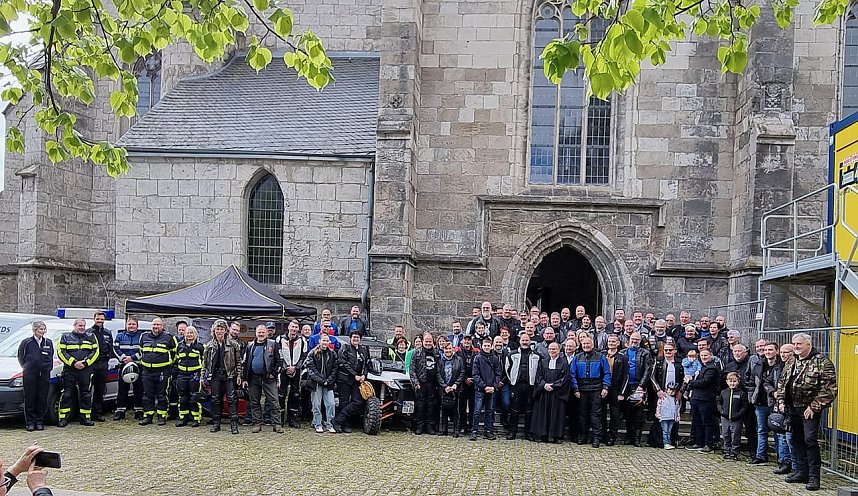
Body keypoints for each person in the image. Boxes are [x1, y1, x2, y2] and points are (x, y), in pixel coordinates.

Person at [775, 332, 837, 492]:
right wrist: (781, 401)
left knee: (810, 440)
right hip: (792, 408)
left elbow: (829, 388)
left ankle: (814, 477)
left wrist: (814, 407)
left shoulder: (822, 362)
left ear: (808, 345)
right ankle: (802, 472)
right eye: (794, 344)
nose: (796, 347)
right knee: (797, 440)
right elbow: (782, 383)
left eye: (799, 344)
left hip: (809, 409)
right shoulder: (792, 362)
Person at [202, 319, 243, 434]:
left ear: (226, 330)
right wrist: (202, 377)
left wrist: (239, 375)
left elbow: (239, 362)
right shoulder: (209, 346)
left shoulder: (234, 344)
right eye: (217, 329)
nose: (219, 331)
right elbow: (204, 363)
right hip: (215, 376)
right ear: (214, 331)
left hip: (229, 375)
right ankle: (216, 423)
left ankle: (234, 425)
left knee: (231, 399)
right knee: (215, 400)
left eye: (221, 329)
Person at [569, 335, 611, 448]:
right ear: (581, 345)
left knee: (596, 415)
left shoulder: (601, 357)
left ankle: (597, 438)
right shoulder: (577, 358)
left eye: (588, 344)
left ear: (592, 345)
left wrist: (605, 387)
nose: (586, 346)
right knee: (582, 415)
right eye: (584, 344)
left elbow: (607, 373)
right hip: (582, 390)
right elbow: (572, 375)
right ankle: (583, 436)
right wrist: (575, 389)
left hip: (596, 389)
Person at [56, 318, 99, 427]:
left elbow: (96, 351)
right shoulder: (65, 337)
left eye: (84, 326)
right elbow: (61, 352)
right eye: (80, 325)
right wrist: (73, 362)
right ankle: (63, 418)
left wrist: (85, 363)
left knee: (86, 394)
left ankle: (85, 418)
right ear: (74, 326)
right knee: (67, 394)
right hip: (70, 370)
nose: (82, 328)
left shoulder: (91, 337)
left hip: (86, 370)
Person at [241, 324, 283, 433]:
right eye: (259, 332)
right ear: (255, 333)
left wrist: (274, 373)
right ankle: (257, 424)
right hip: (253, 379)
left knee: (274, 401)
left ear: (266, 333)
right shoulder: (250, 346)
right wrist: (244, 378)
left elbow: (280, 361)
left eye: (262, 332)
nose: (261, 334)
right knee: (254, 402)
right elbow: (245, 363)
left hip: (269, 379)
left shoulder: (273, 344)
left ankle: (277, 424)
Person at [749, 340, 784, 466]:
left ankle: (782, 459)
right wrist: (751, 396)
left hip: (775, 402)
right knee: (761, 430)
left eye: (770, 350)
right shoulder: (758, 365)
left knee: (778, 431)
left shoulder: (781, 365)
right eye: (766, 350)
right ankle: (761, 456)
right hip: (760, 402)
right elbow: (751, 381)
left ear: (777, 351)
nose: (768, 352)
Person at [138, 317, 178, 427]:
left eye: (158, 325)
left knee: (162, 395)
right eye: (154, 325)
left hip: (162, 372)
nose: (156, 327)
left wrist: (168, 366)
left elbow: (175, 354)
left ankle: (161, 415)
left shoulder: (169, 337)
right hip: (147, 371)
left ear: (162, 326)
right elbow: (141, 351)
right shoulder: (144, 336)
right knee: (147, 395)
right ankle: (148, 416)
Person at [530, 342, 570, 443]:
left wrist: (553, 385)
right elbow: (538, 376)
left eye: (554, 349)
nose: (552, 351)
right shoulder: (543, 362)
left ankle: (556, 436)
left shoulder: (564, 363)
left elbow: (564, 378)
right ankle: (542, 435)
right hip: (544, 392)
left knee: (556, 415)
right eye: (550, 349)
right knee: (543, 414)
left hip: (556, 393)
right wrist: (544, 385)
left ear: (559, 351)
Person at [17, 321, 53, 431]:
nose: (42, 331)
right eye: (40, 329)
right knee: (30, 398)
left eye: (43, 329)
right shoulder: (27, 342)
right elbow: (21, 357)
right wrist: (27, 368)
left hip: (44, 375)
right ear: (34, 330)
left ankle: (39, 421)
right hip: (30, 375)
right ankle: (30, 422)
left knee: (42, 398)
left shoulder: (48, 342)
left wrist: (47, 368)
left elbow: (50, 356)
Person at [619, 331, 652, 447]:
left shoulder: (645, 353)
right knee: (627, 413)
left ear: (640, 341)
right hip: (626, 386)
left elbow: (648, 371)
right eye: (632, 339)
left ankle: (637, 438)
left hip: (638, 386)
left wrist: (641, 386)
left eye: (637, 340)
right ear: (629, 340)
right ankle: (628, 436)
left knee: (638, 414)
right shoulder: (622, 353)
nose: (634, 341)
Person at [649, 341, 685, 447]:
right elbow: (652, 376)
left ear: (674, 351)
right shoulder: (658, 361)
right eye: (666, 350)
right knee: (660, 418)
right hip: (662, 394)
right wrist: (658, 390)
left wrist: (681, 391)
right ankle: (659, 441)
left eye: (670, 350)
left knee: (674, 418)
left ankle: (672, 440)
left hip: (674, 395)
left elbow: (684, 379)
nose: (668, 352)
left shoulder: (680, 363)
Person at [333, 331, 370, 434]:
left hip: (357, 380)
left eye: (357, 337)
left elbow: (366, 364)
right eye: (354, 337)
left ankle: (337, 420)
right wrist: (354, 375)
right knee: (343, 402)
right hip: (344, 379)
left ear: (360, 339)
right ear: (350, 338)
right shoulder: (345, 348)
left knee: (357, 401)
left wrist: (363, 375)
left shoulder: (363, 350)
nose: (355, 339)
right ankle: (344, 424)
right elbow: (343, 363)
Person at [505, 332, 539, 440]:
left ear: (530, 342)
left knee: (529, 410)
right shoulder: (512, 355)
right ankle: (512, 432)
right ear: (519, 341)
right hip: (517, 385)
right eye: (523, 340)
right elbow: (507, 369)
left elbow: (539, 371)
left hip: (530, 386)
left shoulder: (537, 356)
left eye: (527, 340)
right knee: (514, 409)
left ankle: (528, 433)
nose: (525, 342)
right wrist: (512, 381)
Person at [685, 349, 720, 452]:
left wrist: (690, 381)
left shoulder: (712, 368)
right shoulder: (703, 367)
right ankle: (699, 442)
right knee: (697, 421)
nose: (704, 357)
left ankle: (708, 444)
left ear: (711, 356)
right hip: (696, 398)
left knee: (707, 422)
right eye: (702, 355)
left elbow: (705, 382)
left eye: (706, 355)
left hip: (706, 399)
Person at [305, 332, 338, 434]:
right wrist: (321, 380)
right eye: (323, 340)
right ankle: (317, 424)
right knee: (316, 405)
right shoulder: (312, 353)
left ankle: (330, 424)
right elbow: (311, 369)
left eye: (327, 341)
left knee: (331, 404)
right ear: (319, 341)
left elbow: (335, 369)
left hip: (329, 384)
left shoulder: (332, 354)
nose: (325, 342)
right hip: (316, 384)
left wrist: (329, 380)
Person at [471, 336, 502, 441]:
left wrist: (494, 386)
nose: (487, 347)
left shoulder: (495, 358)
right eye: (485, 346)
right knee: (477, 410)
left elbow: (498, 373)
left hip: (492, 389)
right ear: (481, 346)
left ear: (492, 346)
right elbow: (475, 374)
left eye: (489, 345)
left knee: (490, 411)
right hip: (480, 389)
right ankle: (474, 431)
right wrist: (484, 386)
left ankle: (488, 431)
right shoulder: (477, 358)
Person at [113, 318, 144, 420]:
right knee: (122, 388)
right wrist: (123, 358)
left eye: (133, 324)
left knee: (138, 389)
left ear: (137, 326)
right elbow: (115, 348)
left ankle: (139, 410)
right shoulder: (120, 336)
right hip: (123, 365)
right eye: (129, 324)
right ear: (126, 325)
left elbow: (143, 349)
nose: (131, 326)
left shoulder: (141, 337)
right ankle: (120, 411)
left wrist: (132, 358)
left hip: (137, 365)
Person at [279, 320, 307, 428]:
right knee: (281, 394)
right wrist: (286, 367)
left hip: (296, 370)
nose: (294, 329)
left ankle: (293, 418)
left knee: (295, 394)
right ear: (288, 327)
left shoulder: (302, 340)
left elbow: (304, 355)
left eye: (296, 327)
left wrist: (295, 367)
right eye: (292, 327)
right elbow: (278, 354)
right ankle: (280, 418)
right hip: (283, 370)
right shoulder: (280, 339)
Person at [174, 326, 204, 428]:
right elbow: (176, 360)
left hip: (195, 375)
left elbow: (205, 362)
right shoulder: (179, 346)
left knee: (194, 397)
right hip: (182, 375)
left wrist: (201, 375)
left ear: (195, 334)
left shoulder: (200, 347)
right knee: (183, 398)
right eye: (188, 333)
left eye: (191, 333)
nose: (189, 335)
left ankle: (196, 418)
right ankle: (183, 418)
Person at [410, 332, 439, 435]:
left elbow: (439, 369)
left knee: (431, 407)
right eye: (426, 341)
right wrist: (416, 382)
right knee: (420, 407)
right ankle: (419, 427)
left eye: (429, 341)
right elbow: (412, 370)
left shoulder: (436, 353)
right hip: (420, 384)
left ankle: (429, 427)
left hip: (432, 384)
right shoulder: (416, 353)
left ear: (432, 342)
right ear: (422, 342)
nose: (428, 343)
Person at [86, 311, 113, 422]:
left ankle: (97, 413)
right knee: (87, 390)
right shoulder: (88, 332)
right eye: (98, 319)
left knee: (100, 390)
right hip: (91, 364)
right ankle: (86, 413)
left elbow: (111, 348)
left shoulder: (107, 332)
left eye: (102, 319)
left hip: (103, 364)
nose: (100, 321)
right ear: (94, 319)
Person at [603, 334, 628, 446]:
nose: (611, 343)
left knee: (615, 414)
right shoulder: (602, 355)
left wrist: (622, 392)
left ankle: (612, 436)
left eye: (614, 342)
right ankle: (602, 435)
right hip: (603, 388)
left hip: (616, 389)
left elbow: (626, 376)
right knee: (601, 412)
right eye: (610, 341)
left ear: (618, 343)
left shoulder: (622, 357)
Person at [718, 371, 750, 461]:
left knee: (735, 436)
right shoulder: (724, 392)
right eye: (730, 381)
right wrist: (721, 410)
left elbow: (745, 406)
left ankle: (734, 452)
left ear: (738, 382)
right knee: (725, 435)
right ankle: (726, 451)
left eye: (734, 381)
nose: (732, 383)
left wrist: (739, 414)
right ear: (727, 382)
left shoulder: (741, 393)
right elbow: (719, 402)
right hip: (725, 418)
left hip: (737, 419)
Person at [437, 341, 464, 437]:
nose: (448, 350)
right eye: (446, 349)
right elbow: (438, 374)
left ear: (453, 349)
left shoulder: (459, 359)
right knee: (444, 410)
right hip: (444, 388)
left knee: (455, 410)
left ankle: (456, 430)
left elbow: (462, 372)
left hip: (455, 388)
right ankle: (444, 429)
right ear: (443, 350)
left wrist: (456, 384)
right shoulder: (440, 360)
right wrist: (444, 386)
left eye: (449, 348)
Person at [457, 334, 477, 433]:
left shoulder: (476, 352)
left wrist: (473, 378)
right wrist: (465, 379)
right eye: (465, 340)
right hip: (462, 382)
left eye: (469, 340)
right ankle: (463, 425)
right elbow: (458, 368)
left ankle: (471, 425)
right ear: (462, 341)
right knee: (462, 406)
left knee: (473, 405)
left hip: (474, 382)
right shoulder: (458, 352)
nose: (467, 342)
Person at [657, 383, 681, 450]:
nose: (671, 392)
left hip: (671, 417)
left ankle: (668, 442)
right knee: (665, 431)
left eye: (673, 391)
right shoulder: (663, 397)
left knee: (669, 431)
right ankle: (665, 443)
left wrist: (677, 416)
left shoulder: (675, 399)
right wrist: (658, 414)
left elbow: (677, 408)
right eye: (670, 390)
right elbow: (659, 406)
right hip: (664, 417)